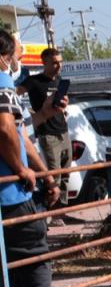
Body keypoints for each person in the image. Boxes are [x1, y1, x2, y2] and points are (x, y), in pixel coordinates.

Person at [0, 29, 64, 287]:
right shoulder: (2, 82)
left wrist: (46, 176)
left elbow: (23, 134)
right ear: (4, 56)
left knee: (12, 263)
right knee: (35, 255)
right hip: (10, 194)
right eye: (16, 54)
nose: (17, 60)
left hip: (12, 191)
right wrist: (22, 170)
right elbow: (6, 129)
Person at [18, 48, 70, 221]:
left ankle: (60, 211)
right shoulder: (34, 81)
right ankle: (51, 214)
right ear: (44, 63)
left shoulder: (60, 80)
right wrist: (33, 113)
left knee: (66, 175)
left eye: (60, 62)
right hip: (47, 134)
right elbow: (15, 94)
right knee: (53, 176)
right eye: (54, 62)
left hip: (63, 132)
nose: (58, 66)